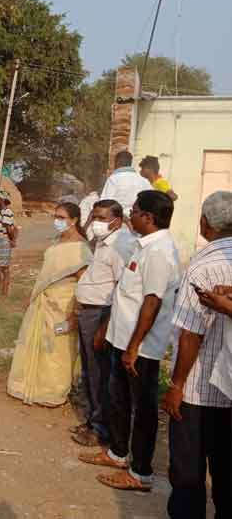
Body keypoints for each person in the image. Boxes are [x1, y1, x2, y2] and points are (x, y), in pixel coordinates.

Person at [79, 190, 180, 493]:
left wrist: (135, 346)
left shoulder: (160, 251)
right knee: (118, 399)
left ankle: (140, 472)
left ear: (148, 217)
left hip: (141, 348)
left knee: (143, 409)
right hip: (122, 340)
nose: (130, 215)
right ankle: (118, 453)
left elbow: (152, 301)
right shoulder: (142, 245)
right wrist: (109, 330)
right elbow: (126, 292)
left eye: (134, 211)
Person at [162, 191, 232, 519]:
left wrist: (176, 385)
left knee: (188, 476)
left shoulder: (202, 266)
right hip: (228, 392)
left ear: (204, 223)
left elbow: (191, 333)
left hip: (198, 390)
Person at [7, 202, 92, 406]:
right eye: (56, 216)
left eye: (62, 217)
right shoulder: (56, 243)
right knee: (32, 341)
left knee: (56, 349)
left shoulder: (81, 248)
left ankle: (51, 392)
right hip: (42, 302)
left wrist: (75, 314)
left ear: (74, 220)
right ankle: (25, 385)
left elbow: (84, 282)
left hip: (63, 305)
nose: (58, 221)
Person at [71, 200, 136, 447]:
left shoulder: (121, 245)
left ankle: (100, 428)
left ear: (117, 220)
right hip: (90, 311)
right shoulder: (102, 241)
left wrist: (104, 325)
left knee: (99, 373)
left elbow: (122, 287)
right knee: (91, 370)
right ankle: (94, 420)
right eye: (94, 217)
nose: (95, 222)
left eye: (101, 217)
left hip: (101, 314)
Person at [101, 150, 152, 218]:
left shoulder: (113, 179)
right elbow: (151, 203)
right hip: (138, 222)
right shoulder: (144, 180)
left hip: (118, 220)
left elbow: (104, 203)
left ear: (117, 162)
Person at [0, 190, 18, 297]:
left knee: (0, 268)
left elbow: (9, 228)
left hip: (3, 240)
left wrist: (12, 240)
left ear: (2, 200)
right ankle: (2, 291)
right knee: (2, 267)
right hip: (0, 240)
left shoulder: (7, 212)